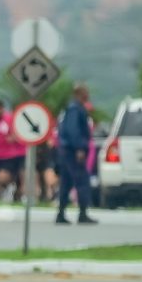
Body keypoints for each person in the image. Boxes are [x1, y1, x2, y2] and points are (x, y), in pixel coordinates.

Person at [57, 82, 97, 224]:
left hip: (66, 151)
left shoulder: (72, 108)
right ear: (80, 94)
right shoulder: (75, 109)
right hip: (73, 151)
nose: (88, 95)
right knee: (82, 181)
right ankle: (82, 214)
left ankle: (61, 213)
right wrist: (79, 148)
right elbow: (74, 131)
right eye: (86, 92)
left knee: (66, 182)